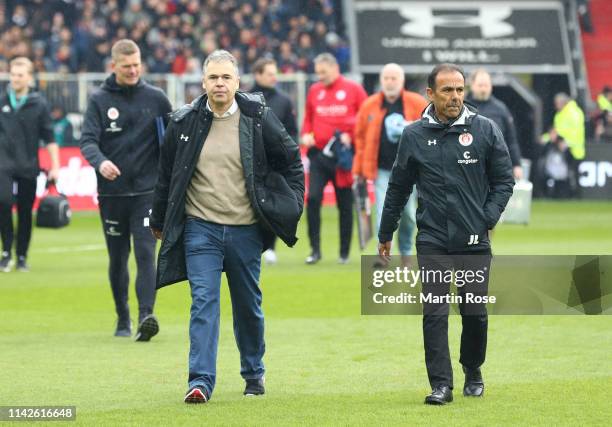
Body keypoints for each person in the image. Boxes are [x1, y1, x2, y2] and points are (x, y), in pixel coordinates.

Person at [150, 50, 304, 404]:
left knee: (248, 305)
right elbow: (166, 177)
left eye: (226, 78)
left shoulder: (259, 117)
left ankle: (253, 372)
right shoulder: (183, 122)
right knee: (203, 302)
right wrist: (159, 219)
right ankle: (200, 381)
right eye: (213, 78)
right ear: (203, 83)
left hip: (245, 229)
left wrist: (292, 201)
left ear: (237, 82)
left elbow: (291, 160)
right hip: (199, 228)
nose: (220, 83)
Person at [378, 63, 514, 405]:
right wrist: (385, 233)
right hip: (433, 239)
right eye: (447, 90)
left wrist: (487, 217)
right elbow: (397, 189)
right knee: (434, 312)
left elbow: (504, 181)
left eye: (459, 90)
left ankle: (473, 369)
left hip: (473, 240)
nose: (455, 97)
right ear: (430, 94)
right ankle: (441, 384)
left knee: (475, 313)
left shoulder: (485, 130)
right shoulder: (413, 135)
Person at [80, 39, 172, 341]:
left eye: (137, 65)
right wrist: (101, 162)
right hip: (112, 194)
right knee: (118, 258)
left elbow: (171, 140)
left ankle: (147, 315)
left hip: (148, 192)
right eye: (126, 66)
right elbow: (87, 141)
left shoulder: (157, 98)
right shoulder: (99, 100)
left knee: (146, 254)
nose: (133, 70)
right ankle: (123, 318)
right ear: (114, 66)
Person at [353, 63, 428, 264]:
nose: (389, 82)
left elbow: (429, 132)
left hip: (410, 170)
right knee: (383, 212)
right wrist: (359, 168)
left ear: (401, 81)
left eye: (394, 78)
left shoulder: (417, 103)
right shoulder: (369, 105)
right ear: (381, 81)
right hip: (382, 170)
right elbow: (359, 138)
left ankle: (405, 251)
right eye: (386, 78)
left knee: (408, 215)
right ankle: (384, 254)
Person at [301, 53, 367, 264]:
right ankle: (315, 250)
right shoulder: (314, 90)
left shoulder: (353, 89)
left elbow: (367, 118)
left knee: (344, 205)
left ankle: (344, 253)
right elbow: (308, 120)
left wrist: (352, 135)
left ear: (335, 68)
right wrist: (306, 136)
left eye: (323, 72)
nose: (320, 76)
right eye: (318, 72)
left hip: (343, 159)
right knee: (312, 199)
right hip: (320, 156)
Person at [0, 57, 60, 273]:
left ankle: (22, 256)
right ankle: (6, 252)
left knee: (25, 212)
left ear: (29, 78)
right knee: (3, 203)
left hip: (28, 165)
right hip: (3, 164)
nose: (15, 79)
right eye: (13, 74)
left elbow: (50, 138)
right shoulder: (2, 99)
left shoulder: (39, 104)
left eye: (20, 75)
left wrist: (55, 165)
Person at [250, 57, 298, 265]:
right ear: (258, 75)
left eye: (274, 73)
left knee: (273, 205)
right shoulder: (245, 98)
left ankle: (270, 246)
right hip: (250, 161)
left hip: (275, 163)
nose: (274, 77)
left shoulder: (284, 101)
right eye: (269, 73)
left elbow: (292, 131)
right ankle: (253, 244)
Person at [467, 69, 523, 180]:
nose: (483, 89)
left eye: (486, 85)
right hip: (468, 164)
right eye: (480, 85)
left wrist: (517, 164)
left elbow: (511, 139)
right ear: (472, 85)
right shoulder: (462, 108)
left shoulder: (501, 109)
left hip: (495, 165)